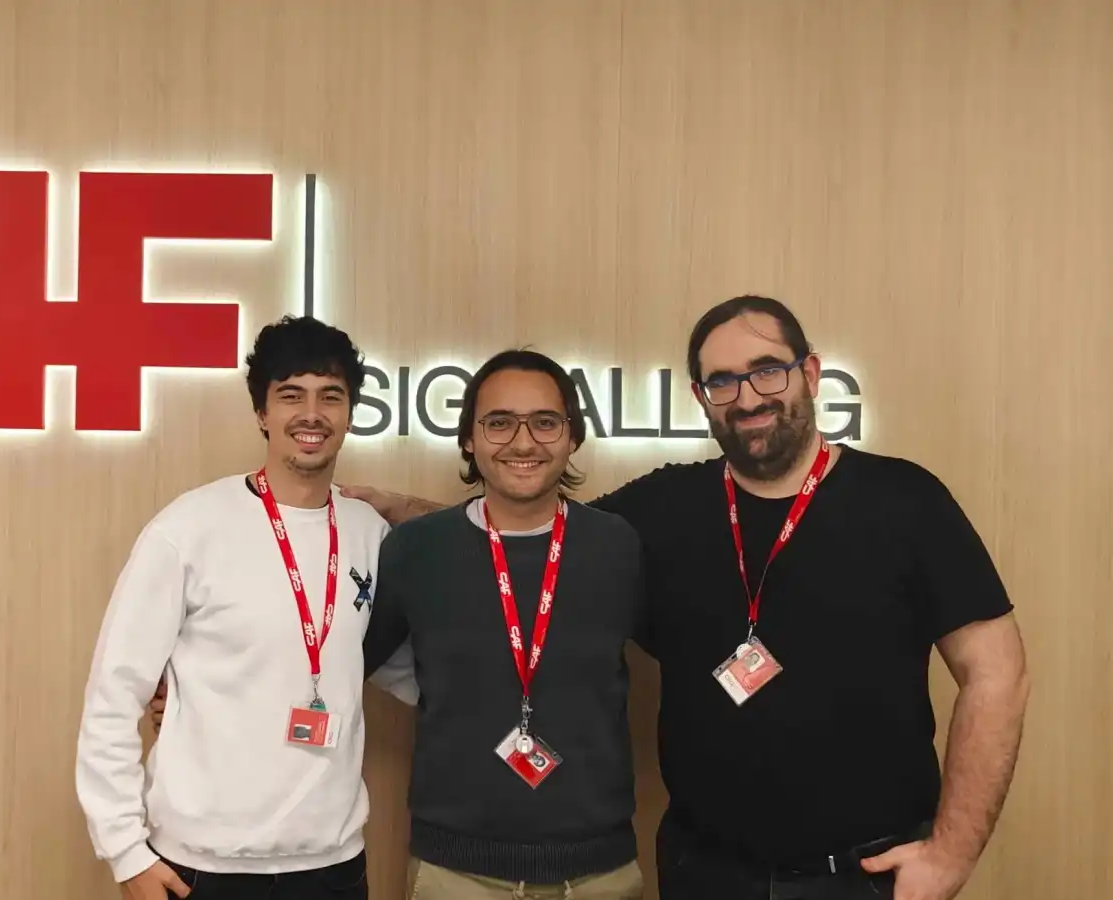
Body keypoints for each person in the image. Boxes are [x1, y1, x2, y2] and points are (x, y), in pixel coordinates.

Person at [347, 296, 1030, 900]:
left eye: (767, 369)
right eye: (723, 381)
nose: (748, 395)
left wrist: (951, 853)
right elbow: (523, 527)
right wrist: (404, 510)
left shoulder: (905, 500)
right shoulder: (661, 509)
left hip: (861, 876)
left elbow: (997, 672)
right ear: (702, 397)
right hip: (705, 872)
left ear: (811, 374)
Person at [74, 315, 416, 900]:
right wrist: (126, 852)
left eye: (330, 397)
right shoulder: (189, 528)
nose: (312, 414)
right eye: (291, 396)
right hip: (199, 868)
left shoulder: (368, 533)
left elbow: (397, 665)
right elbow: (113, 694)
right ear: (262, 412)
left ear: (350, 412)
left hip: (333, 869)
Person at [359, 349, 648, 899]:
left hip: (599, 874)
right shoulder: (419, 549)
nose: (522, 442)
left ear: (572, 436)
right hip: (455, 874)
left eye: (545, 422)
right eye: (498, 423)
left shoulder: (618, 546)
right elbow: (338, 662)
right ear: (469, 438)